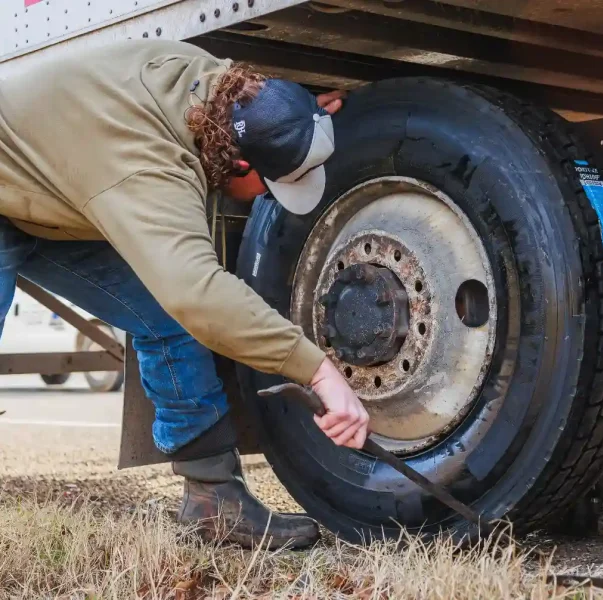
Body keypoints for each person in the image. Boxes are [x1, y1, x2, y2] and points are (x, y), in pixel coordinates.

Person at [0, 38, 370, 549]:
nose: (269, 199)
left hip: (47, 189)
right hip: (19, 180)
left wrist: (298, 120)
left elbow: (262, 111)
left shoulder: (215, 87)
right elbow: (197, 293)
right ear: (239, 165)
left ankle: (214, 502)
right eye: (271, 185)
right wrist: (320, 371)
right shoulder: (150, 168)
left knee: (163, 318)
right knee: (184, 301)